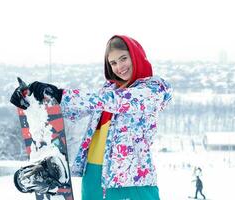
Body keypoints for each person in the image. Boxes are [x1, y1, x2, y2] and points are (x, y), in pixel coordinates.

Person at [10, 35, 172, 200]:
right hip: (93, 173)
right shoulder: (108, 90)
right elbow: (77, 110)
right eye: (113, 63)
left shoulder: (153, 89)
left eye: (123, 59)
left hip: (131, 178)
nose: (119, 67)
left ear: (136, 56)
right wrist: (37, 100)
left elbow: (118, 101)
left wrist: (61, 94)